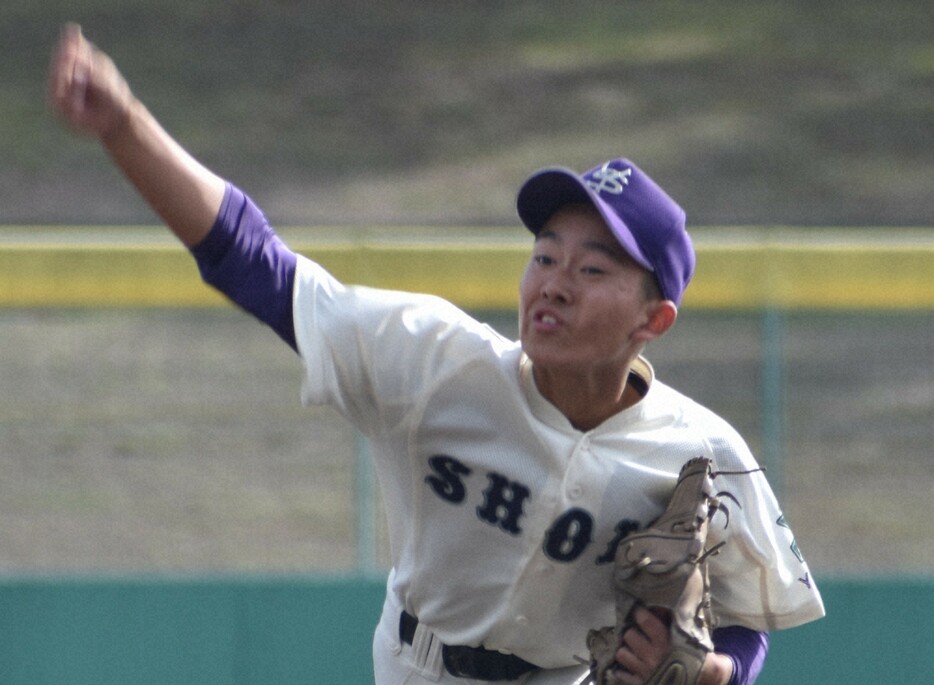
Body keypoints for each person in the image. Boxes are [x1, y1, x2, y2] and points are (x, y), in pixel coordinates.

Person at [48, 24, 824, 685]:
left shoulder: (700, 450)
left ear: (652, 319)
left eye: (591, 270)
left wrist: (720, 671)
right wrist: (123, 125)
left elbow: (748, 620)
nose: (553, 284)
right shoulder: (437, 362)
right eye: (545, 255)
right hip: (416, 666)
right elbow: (256, 263)